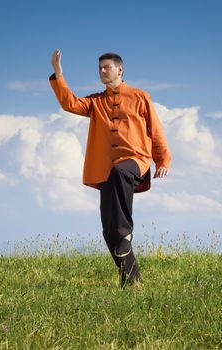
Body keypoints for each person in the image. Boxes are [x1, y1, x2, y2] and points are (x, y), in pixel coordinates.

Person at [49, 49, 171, 287]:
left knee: (121, 173)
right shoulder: (96, 101)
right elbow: (69, 104)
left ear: (120, 70)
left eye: (106, 67)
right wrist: (58, 74)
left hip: (135, 161)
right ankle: (132, 280)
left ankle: (126, 232)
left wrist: (163, 160)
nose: (102, 71)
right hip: (106, 169)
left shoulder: (140, 96)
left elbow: (155, 131)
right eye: (99, 68)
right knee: (108, 229)